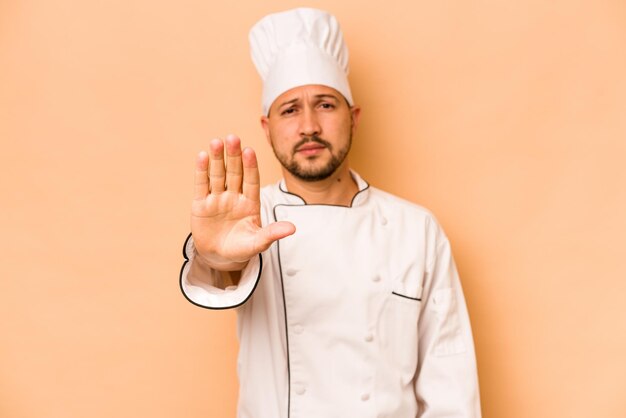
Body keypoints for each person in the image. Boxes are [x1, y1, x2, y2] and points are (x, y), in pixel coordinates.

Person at [180, 7, 481, 418]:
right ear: (267, 128)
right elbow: (217, 274)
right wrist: (216, 255)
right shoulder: (251, 218)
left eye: (325, 105)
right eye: (290, 110)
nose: (308, 127)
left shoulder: (416, 229)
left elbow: (451, 384)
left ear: (353, 118)